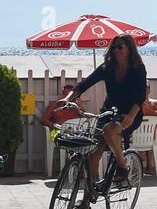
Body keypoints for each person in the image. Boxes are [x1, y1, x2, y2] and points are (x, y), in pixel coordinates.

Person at [60, 35, 148, 191]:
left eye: (120, 47)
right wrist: (67, 99)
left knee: (110, 130)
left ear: (129, 49)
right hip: (108, 112)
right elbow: (83, 85)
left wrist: (131, 115)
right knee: (93, 153)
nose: (116, 50)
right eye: (113, 47)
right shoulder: (107, 67)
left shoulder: (137, 68)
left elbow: (141, 95)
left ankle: (122, 166)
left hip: (130, 113)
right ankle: (89, 195)